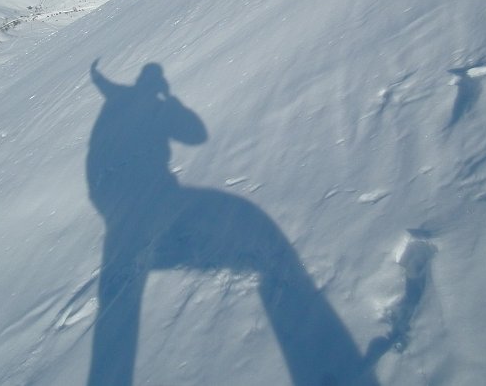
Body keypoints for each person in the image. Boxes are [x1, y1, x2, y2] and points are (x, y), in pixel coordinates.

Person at [86, 60, 379, 386]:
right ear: (152, 84)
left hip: (114, 205)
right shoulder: (149, 104)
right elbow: (197, 135)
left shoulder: (118, 100)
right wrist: (171, 104)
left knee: (117, 311)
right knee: (258, 236)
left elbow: (113, 93)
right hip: (151, 197)